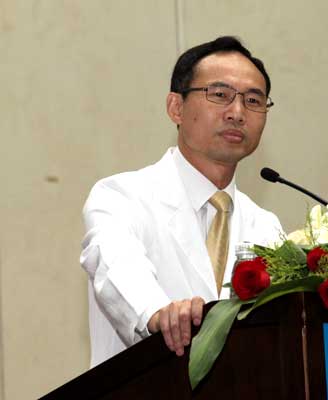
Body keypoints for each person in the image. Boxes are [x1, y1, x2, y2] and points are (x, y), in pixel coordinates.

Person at [80, 36, 283, 367]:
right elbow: (115, 264)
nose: (237, 113)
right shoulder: (121, 196)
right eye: (220, 95)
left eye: (252, 100)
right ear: (176, 107)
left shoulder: (266, 227)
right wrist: (157, 313)